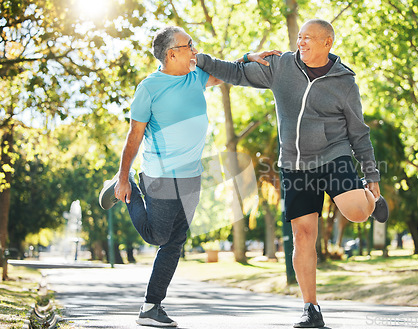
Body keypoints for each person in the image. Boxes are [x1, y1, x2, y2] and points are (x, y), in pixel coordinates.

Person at [196, 19, 389, 328]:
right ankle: (310, 308)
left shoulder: (344, 82)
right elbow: (234, 73)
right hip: (295, 164)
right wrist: (203, 59)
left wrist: (371, 174)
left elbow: (359, 132)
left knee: (355, 212)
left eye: (309, 38)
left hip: (333, 154)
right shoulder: (281, 66)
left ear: (328, 43)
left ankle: (372, 200)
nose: (301, 42)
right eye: (300, 37)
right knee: (303, 235)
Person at [98, 26, 277, 327]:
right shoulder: (149, 88)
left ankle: (151, 306)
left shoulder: (197, 77)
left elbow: (227, 72)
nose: (195, 50)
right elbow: (134, 136)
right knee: (158, 236)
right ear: (171, 54)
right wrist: (124, 174)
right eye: (189, 45)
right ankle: (122, 189)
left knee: (175, 241)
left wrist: (249, 57)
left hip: (191, 174)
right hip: (160, 174)